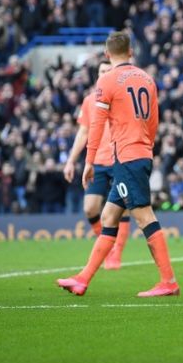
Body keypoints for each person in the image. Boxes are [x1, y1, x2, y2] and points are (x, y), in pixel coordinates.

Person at [57, 31, 179, 296]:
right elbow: (154, 119)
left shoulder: (107, 80)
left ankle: (168, 281)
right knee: (108, 216)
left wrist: (89, 162)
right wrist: (147, 145)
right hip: (139, 152)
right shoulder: (147, 78)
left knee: (143, 215)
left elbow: (97, 125)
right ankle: (83, 279)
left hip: (126, 156)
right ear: (131, 52)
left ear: (106, 54)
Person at [63, 60, 130, 270]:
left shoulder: (122, 98)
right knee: (90, 208)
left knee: (123, 209)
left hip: (119, 159)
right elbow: (83, 132)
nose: (105, 73)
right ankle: (107, 246)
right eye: (102, 71)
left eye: (108, 70)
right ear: (97, 75)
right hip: (97, 163)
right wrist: (71, 161)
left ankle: (116, 253)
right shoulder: (90, 101)